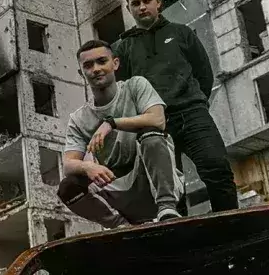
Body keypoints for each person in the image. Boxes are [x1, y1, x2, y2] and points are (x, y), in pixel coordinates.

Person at [110, 0, 239, 213]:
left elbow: (204, 73)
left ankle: (228, 222)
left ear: (158, 3)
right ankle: (183, 238)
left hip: (192, 113)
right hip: (154, 124)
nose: (142, 7)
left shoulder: (181, 33)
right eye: (135, 3)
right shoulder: (122, 48)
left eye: (147, 1)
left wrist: (195, 101)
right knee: (169, 189)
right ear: (128, 9)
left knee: (216, 167)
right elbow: (123, 90)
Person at [57, 39, 182, 228]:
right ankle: (120, 226)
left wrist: (112, 123)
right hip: (117, 188)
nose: (96, 69)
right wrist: (88, 168)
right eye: (88, 65)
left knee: (151, 134)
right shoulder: (79, 118)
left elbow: (158, 120)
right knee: (68, 186)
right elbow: (68, 164)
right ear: (81, 73)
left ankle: (167, 207)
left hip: (150, 181)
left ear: (115, 63)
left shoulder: (135, 86)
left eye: (101, 61)